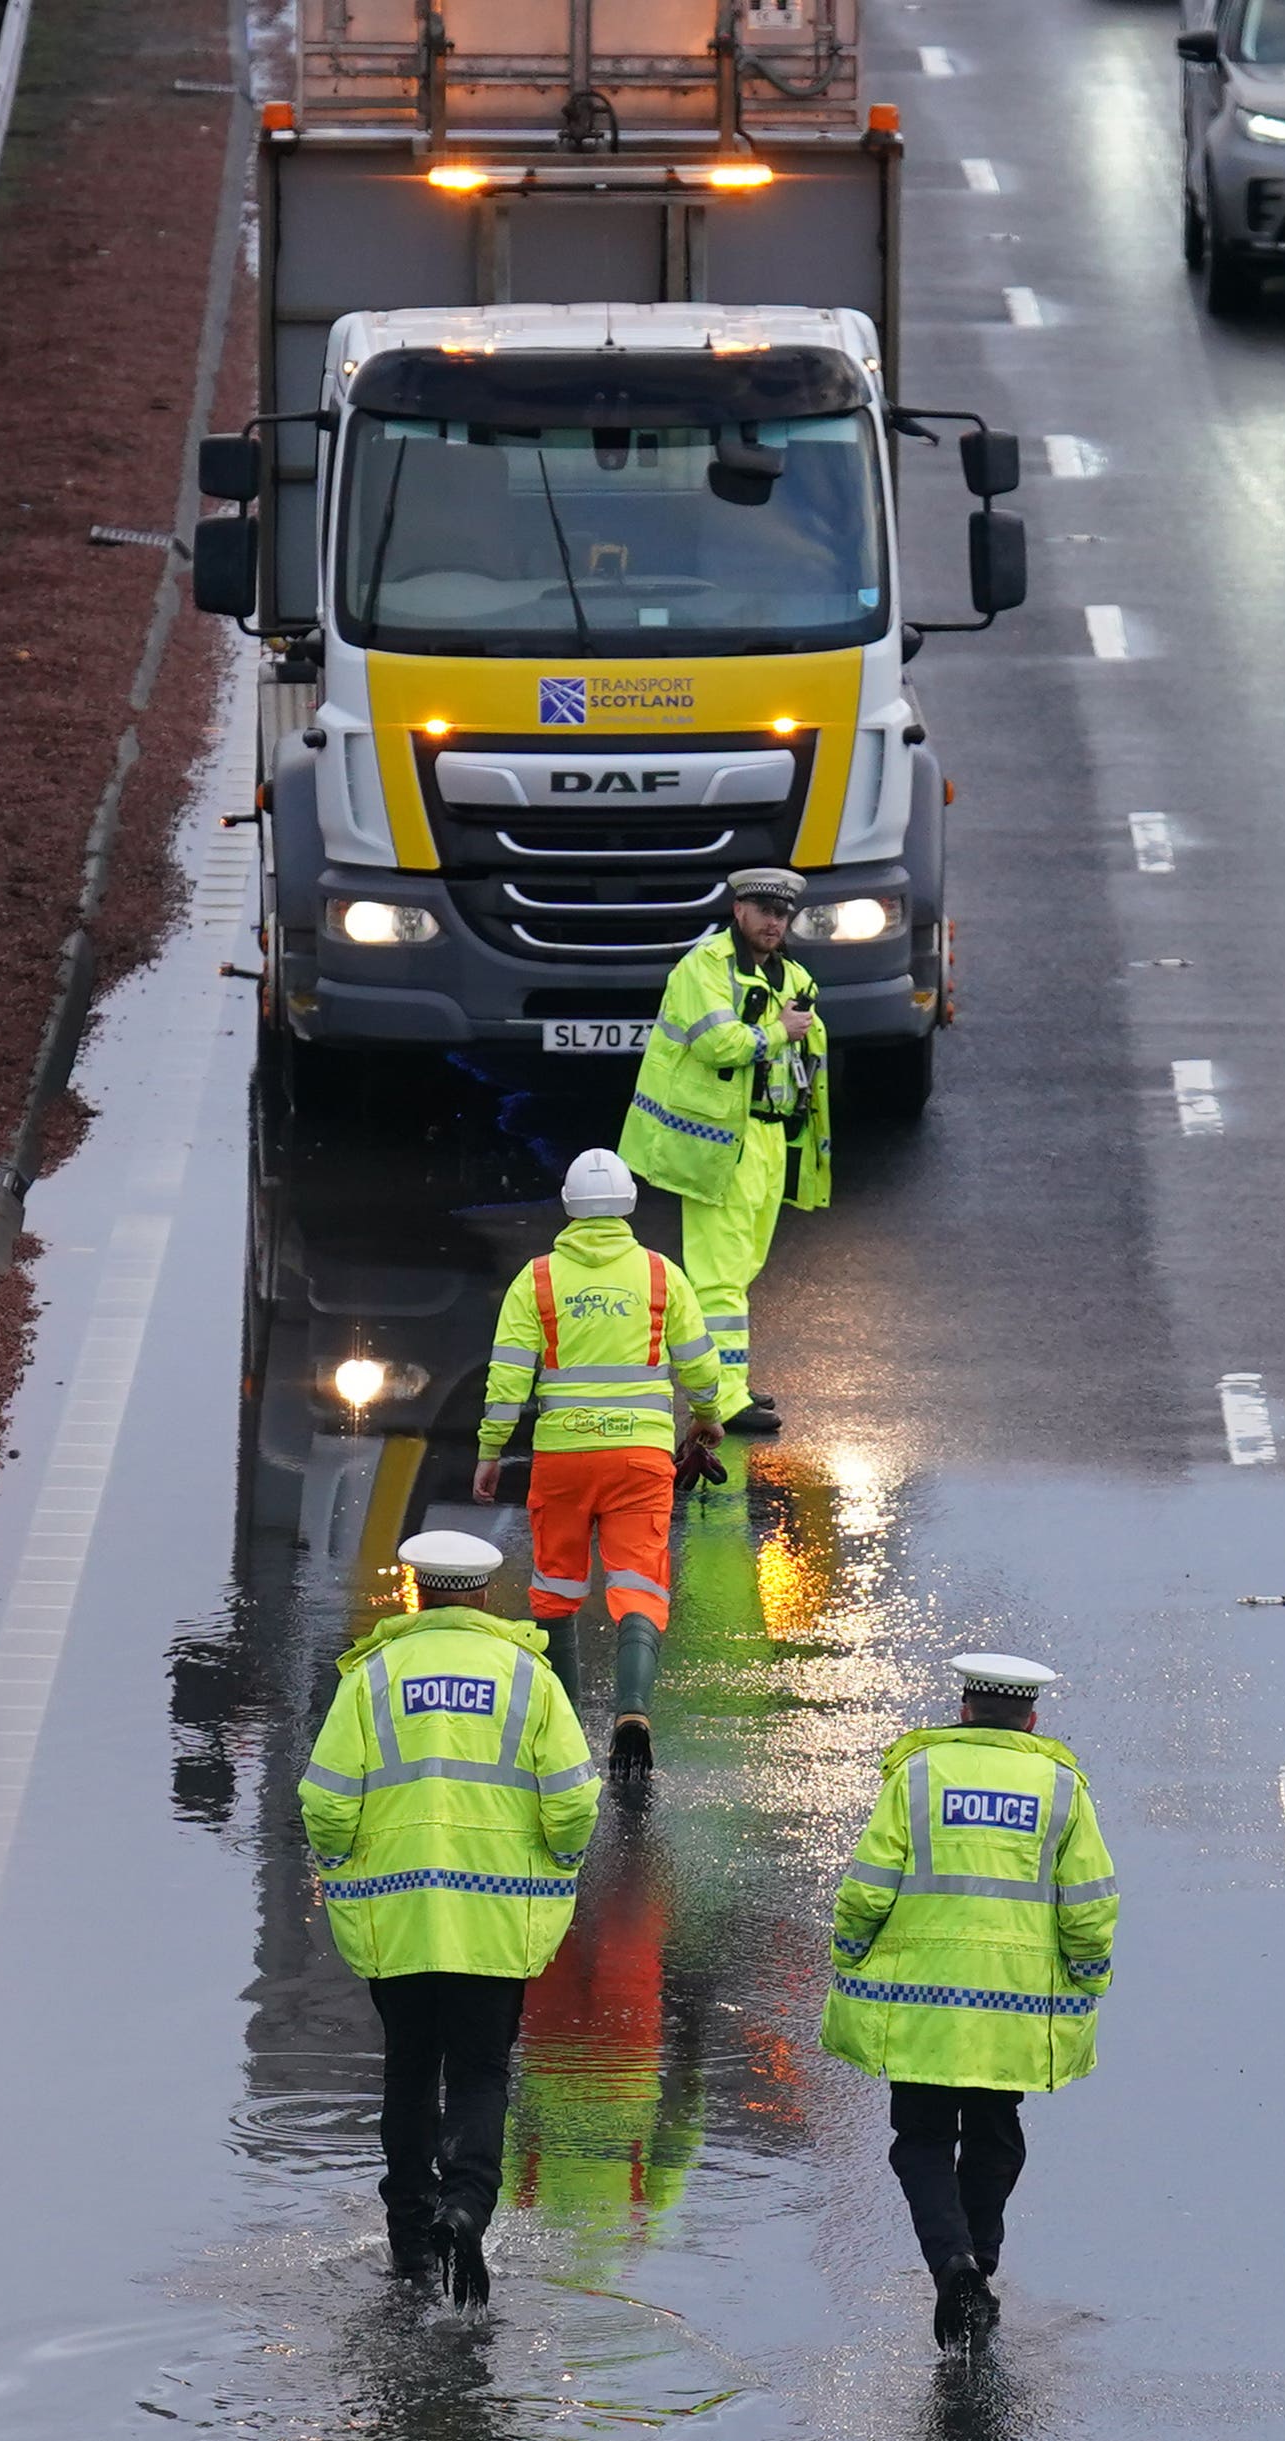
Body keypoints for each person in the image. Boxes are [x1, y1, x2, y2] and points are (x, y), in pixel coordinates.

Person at [300, 1530, 603, 2305]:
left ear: (416, 1591)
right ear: (483, 1595)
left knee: (409, 2069)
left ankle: (407, 2235)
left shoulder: (370, 1676)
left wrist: (341, 1868)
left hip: (397, 1914)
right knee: (479, 2070)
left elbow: (326, 1801)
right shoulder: (527, 1678)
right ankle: (465, 2206)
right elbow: (571, 1800)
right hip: (495, 1919)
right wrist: (559, 1864)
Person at [820, 1655, 1118, 2347]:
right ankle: (979, 2264)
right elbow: (1090, 1900)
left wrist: (851, 1949)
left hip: (922, 2001)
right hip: (1012, 2009)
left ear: (963, 1710)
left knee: (921, 2138)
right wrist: (1088, 1972)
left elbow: (868, 1883)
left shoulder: (919, 1774)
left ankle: (950, 2263)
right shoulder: (1061, 1786)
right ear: (1030, 1720)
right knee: (994, 2131)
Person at [475, 1147, 725, 1776]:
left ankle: (562, 1730)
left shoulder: (536, 1281)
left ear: (568, 1209)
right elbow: (697, 1360)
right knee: (640, 1583)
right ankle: (632, 1709)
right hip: (639, 1458)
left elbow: (508, 1378)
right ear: (629, 1207)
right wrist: (707, 1414)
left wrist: (490, 1451)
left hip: (562, 1458)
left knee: (556, 1588)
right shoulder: (661, 1275)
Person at [617, 866, 828, 1438]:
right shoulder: (704, 968)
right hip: (718, 1144)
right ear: (738, 911)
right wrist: (779, 1032)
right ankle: (722, 1399)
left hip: (765, 1137)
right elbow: (717, 1045)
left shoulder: (790, 974)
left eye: (782, 915)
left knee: (744, 1266)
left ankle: (730, 1383)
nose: (773, 922)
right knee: (718, 1276)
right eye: (763, 911)